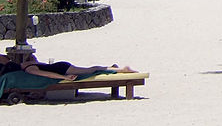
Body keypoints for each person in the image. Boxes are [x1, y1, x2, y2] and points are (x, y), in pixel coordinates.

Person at [0, 52, 136, 81]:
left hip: (62, 68)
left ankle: (120, 69)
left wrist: (65, 77)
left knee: (91, 70)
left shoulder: (28, 69)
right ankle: (113, 68)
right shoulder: (28, 65)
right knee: (90, 69)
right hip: (60, 66)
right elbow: (43, 68)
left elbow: (47, 74)